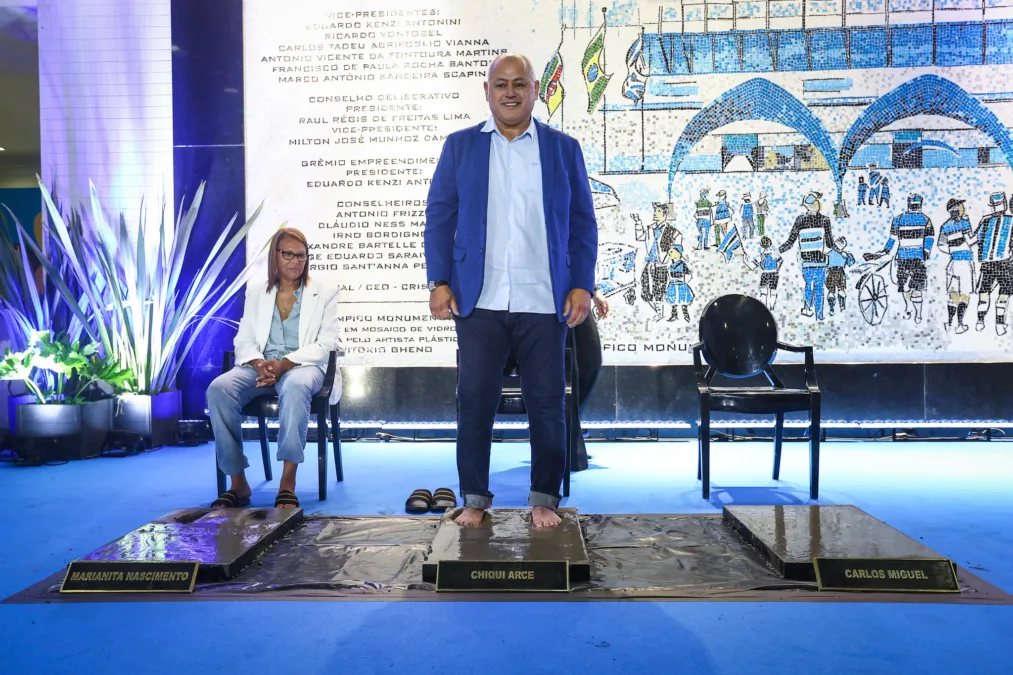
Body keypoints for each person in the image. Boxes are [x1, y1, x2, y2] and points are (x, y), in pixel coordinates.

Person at [424, 53, 597, 528]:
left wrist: (582, 285)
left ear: (535, 89)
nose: (510, 92)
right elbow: (439, 216)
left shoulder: (563, 149)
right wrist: (439, 281)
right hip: (478, 300)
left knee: (547, 403)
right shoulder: (460, 146)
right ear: (487, 91)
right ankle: (474, 499)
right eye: (500, 84)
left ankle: (544, 498)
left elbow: (582, 222)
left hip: (544, 299)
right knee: (475, 402)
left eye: (519, 83)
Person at [206, 228, 342, 509]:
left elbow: (327, 344)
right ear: (275, 257)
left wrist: (285, 364)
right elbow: (243, 339)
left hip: (304, 365)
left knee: (295, 386)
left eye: (301, 255)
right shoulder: (257, 292)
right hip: (262, 364)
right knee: (219, 389)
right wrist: (259, 364)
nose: (296, 261)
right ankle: (238, 483)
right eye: (288, 254)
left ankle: (288, 482)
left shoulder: (325, 292)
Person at [867, 193, 934, 323]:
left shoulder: (900, 219)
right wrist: (925, 252)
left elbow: (892, 239)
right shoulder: (925, 219)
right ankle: (915, 312)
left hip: (908, 258)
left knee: (911, 287)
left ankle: (915, 312)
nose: (915, 207)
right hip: (911, 258)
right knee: (911, 288)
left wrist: (885, 251)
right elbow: (929, 238)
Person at [780, 191, 834, 321]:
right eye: (817, 201)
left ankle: (807, 308)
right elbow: (830, 244)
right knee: (819, 287)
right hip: (820, 261)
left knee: (809, 284)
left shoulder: (800, 220)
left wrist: (778, 251)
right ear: (815, 204)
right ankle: (819, 315)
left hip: (806, 261)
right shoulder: (825, 220)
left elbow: (790, 242)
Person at [937, 198, 976, 334]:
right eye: (961, 205)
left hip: (953, 263)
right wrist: (978, 230)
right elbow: (972, 241)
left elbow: (941, 245)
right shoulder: (964, 223)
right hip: (965, 262)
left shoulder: (945, 226)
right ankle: (960, 325)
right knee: (964, 294)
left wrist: (953, 251)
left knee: (953, 295)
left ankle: (949, 324)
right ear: (958, 208)